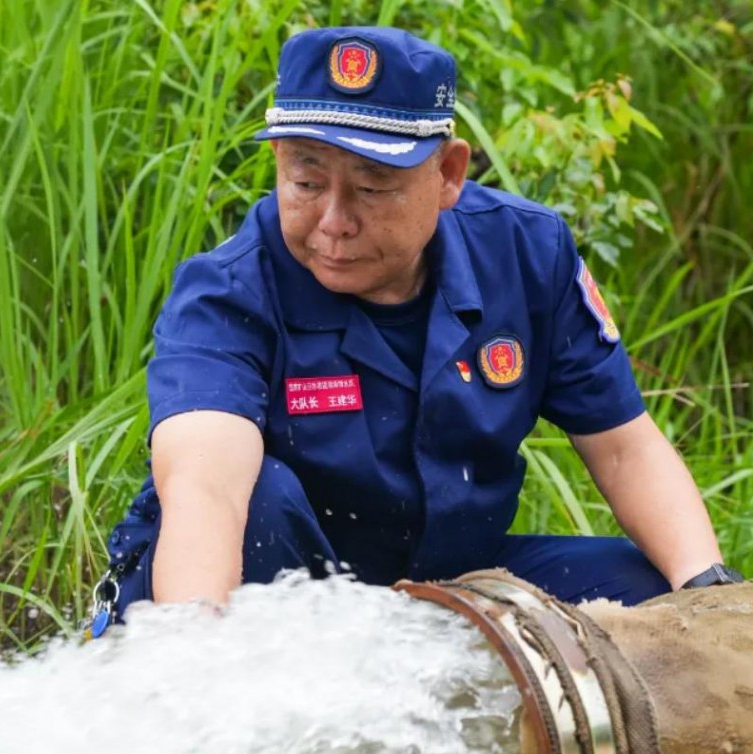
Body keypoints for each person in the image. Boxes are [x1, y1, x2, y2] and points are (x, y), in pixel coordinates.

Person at [100, 26, 741, 624]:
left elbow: (625, 448)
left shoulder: (524, 254)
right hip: (274, 586)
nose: (334, 220)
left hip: (444, 582)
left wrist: (709, 595)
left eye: (373, 188)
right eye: (304, 180)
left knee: (656, 597)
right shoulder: (228, 289)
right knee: (261, 499)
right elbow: (205, 490)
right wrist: (189, 666)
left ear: (448, 175)